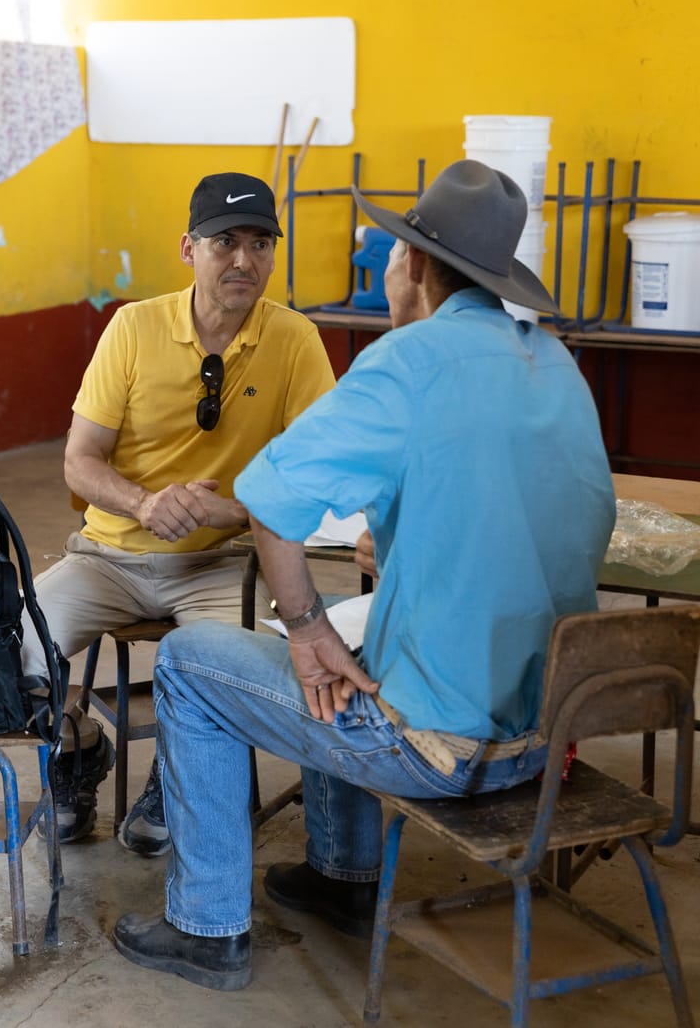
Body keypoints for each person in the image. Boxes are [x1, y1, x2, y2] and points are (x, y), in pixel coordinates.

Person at [112, 159, 617, 991]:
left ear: (413, 264)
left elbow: (269, 501)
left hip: (444, 747)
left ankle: (206, 924)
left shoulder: (409, 360)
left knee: (196, 660)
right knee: (354, 626)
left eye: (392, 250)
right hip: (547, 734)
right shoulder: (554, 363)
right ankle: (342, 877)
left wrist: (304, 628)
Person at [21, 171, 335, 850]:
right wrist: (143, 501)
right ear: (189, 248)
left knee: (226, 672)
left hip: (223, 565)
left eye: (261, 243)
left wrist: (228, 513)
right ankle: (77, 745)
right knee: (13, 648)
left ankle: (177, 765)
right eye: (226, 242)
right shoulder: (132, 328)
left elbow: (319, 474)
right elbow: (80, 459)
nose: (245, 260)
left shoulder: (295, 340)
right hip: (109, 557)